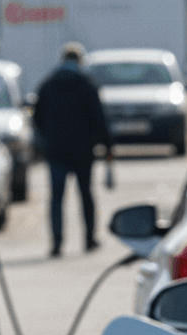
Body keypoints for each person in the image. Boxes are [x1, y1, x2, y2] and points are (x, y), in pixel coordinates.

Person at [33, 42, 113, 256]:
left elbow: (37, 118)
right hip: (83, 151)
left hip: (56, 150)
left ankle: (57, 244)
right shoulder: (87, 84)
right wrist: (106, 146)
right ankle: (89, 239)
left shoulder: (47, 85)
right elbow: (99, 119)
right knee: (86, 195)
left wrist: (47, 139)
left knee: (56, 199)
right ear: (79, 61)